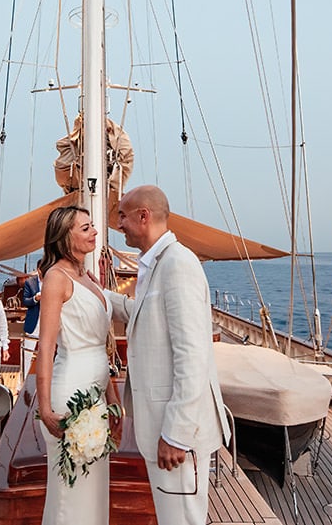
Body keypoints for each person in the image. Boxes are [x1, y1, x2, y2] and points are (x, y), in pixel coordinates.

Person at [107, 185, 228, 525]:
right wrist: (99, 295)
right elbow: (142, 314)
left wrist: (176, 434)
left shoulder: (178, 265)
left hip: (176, 435)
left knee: (182, 520)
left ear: (143, 217)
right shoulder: (156, 265)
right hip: (163, 428)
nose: (119, 225)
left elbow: (193, 355)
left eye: (122, 217)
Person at [36, 206, 118, 525]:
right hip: (71, 393)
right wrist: (44, 409)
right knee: (70, 495)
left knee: (94, 489)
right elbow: (46, 347)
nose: (94, 232)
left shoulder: (88, 276)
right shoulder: (56, 278)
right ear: (64, 236)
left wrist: (111, 398)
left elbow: (100, 344)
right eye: (85, 228)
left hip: (97, 395)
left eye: (92, 226)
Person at [20, 269, 42, 381]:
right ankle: (22, 382)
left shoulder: (51, 281)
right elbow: (25, 301)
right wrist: (35, 299)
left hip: (48, 323)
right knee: (27, 353)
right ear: (38, 270)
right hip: (33, 323)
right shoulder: (30, 282)